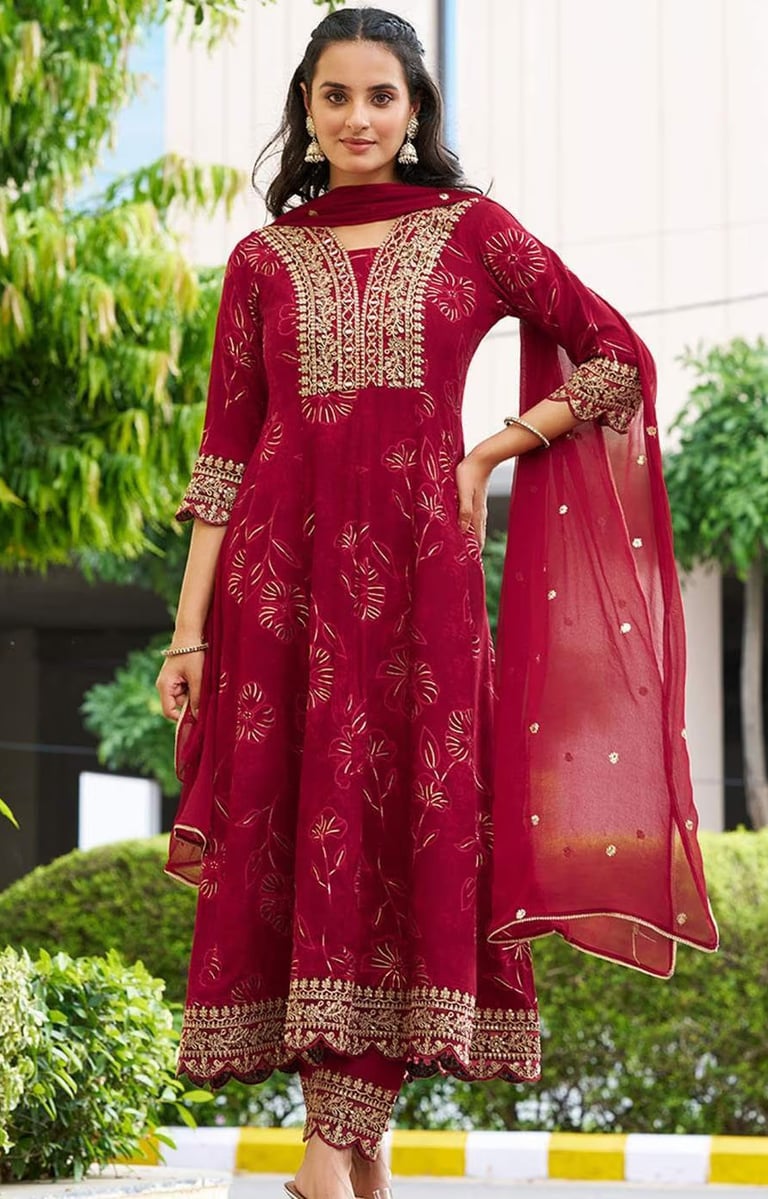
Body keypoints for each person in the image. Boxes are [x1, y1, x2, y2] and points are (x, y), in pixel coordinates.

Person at [156, 8, 718, 1199]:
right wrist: (188, 628)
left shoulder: (474, 235)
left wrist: (492, 452)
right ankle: (344, 1161)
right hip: (280, 592)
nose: (358, 119)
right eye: (334, 98)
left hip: (423, 588)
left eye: (381, 97)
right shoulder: (264, 261)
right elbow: (223, 458)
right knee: (300, 836)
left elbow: (615, 354)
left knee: (411, 833)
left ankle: (336, 1157)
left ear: (417, 112)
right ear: (304, 114)